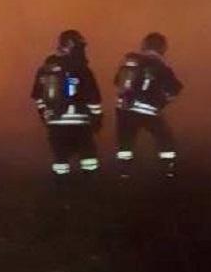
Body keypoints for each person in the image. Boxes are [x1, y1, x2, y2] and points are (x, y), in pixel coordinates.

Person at [31, 29, 103, 177]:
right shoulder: (81, 69)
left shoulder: (45, 69)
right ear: (72, 45)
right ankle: (92, 191)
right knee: (88, 159)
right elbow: (93, 98)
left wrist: (47, 117)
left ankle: (61, 190)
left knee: (60, 159)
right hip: (80, 124)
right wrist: (97, 119)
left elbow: (38, 97)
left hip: (55, 123)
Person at [113, 32, 184, 176]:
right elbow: (175, 87)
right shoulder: (160, 63)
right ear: (162, 48)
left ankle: (124, 172)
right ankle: (168, 170)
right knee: (165, 139)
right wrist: (163, 101)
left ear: (144, 45)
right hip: (149, 110)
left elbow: (116, 81)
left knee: (125, 142)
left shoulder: (130, 61)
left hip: (125, 109)